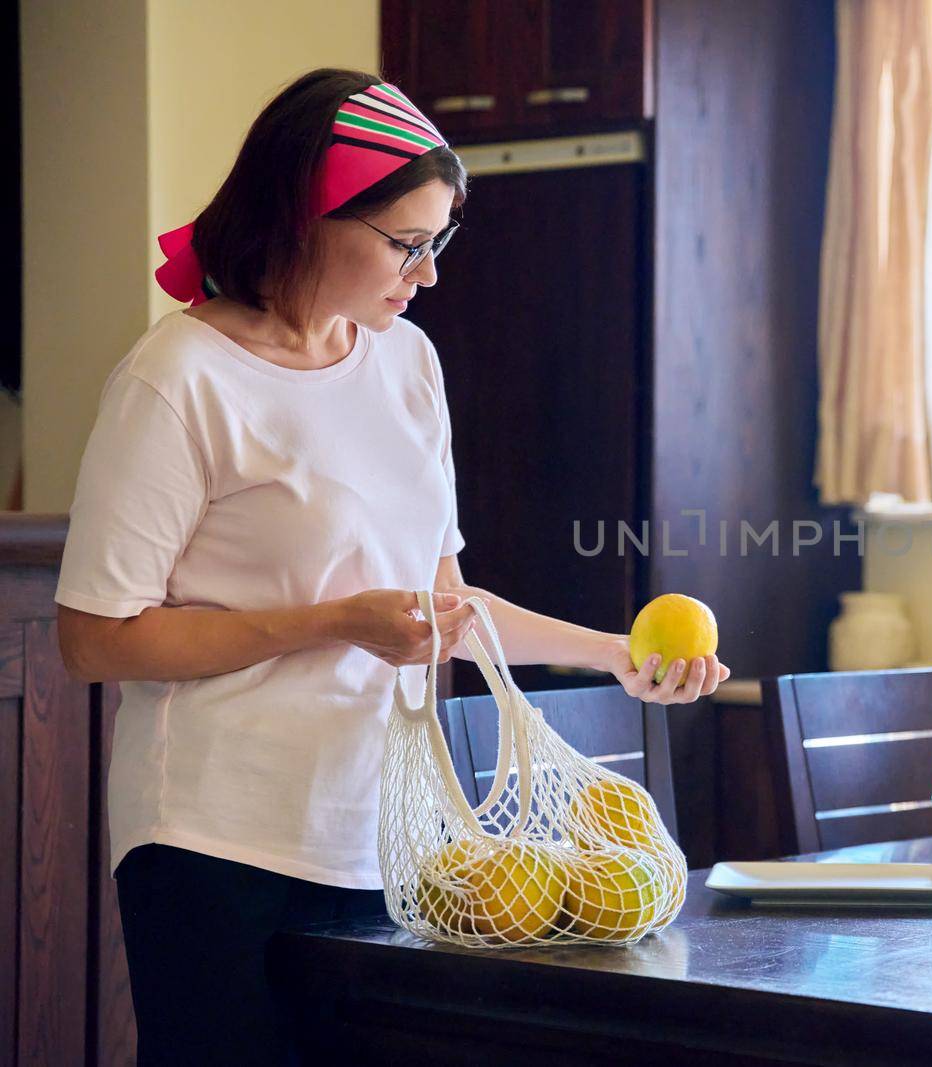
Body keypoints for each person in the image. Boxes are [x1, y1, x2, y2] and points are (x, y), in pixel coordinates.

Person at [53, 68, 728, 1065]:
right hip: (213, 843)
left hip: (390, 838)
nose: (427, 274)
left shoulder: (407, 363)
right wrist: (332, 620)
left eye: (437, 242)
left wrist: (615, 652)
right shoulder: (177, 379)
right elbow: (94, 636)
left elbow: (442, 598)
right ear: (304, 213)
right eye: (406, 243)